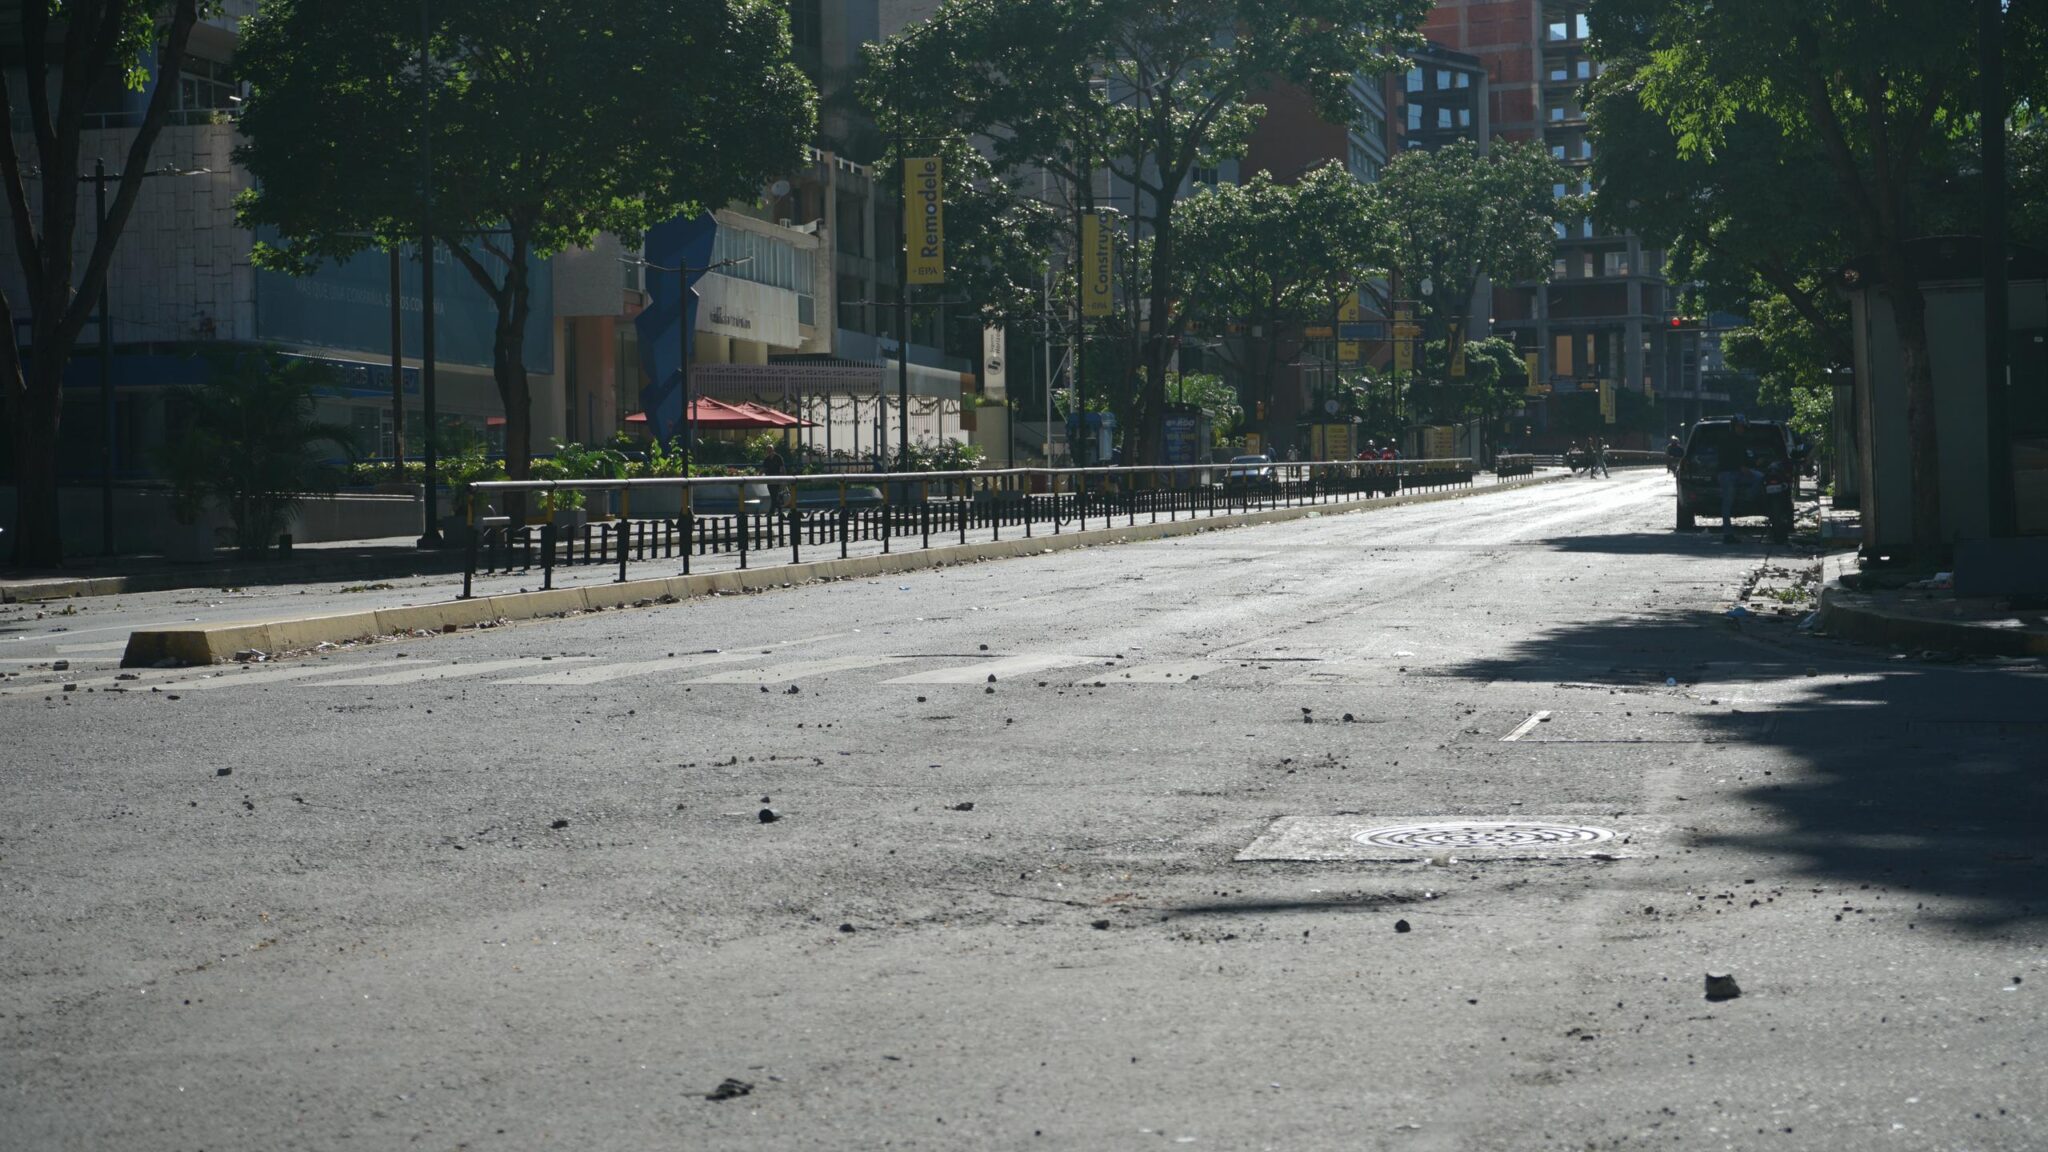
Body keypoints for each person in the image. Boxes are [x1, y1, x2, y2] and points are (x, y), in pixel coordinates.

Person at [1715, 414, 1762, 543]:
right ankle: (1728, 534)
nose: (1741, 429)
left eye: (1743, 427)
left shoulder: (1743, 440)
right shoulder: (1726, 439)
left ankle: (1747, 498)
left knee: (1759, 477)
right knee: (1727, 503)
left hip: (1740, 473)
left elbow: (1745, 458)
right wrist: (1740, 467)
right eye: (1739, 427)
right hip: (1727, 474)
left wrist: (1754, 463)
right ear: (1733, 426)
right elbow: (1725, 458)